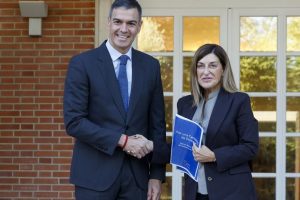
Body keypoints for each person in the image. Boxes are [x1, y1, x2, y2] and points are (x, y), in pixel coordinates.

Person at [63, 0, 167, 199]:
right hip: (94, 176)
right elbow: (74, 122)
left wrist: (156, 175)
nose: (124, 29)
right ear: (108, 22)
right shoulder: (82, 64)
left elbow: (157, 126)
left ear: (139, 26)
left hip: (137, 179)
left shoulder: (150, 66)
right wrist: (123, 141)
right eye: (118, 22)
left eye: (131, 23)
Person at [177, 44, 259, 200]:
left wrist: (215, 156)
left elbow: (251, 147)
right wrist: (150, 145)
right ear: (195, 71)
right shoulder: (185, 104)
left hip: (231, 192)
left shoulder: (239, 101)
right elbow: (181, 146)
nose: (206, 72)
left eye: (212, 66)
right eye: (200, 66)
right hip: (195, 192)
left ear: (223, 70)